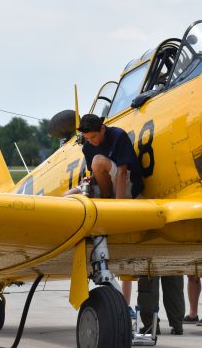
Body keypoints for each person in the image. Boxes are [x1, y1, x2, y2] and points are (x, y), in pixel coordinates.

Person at [71, 114, 145, 316]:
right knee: (68, 195)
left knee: (97, 161)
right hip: (107, 185)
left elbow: (122, 172)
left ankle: (106, 202)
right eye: (88, 139)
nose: (91, 142)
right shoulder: (87, 146)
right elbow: (94, 176)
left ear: (103, 129)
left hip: (127, 186)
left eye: (94, 137)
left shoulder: (117, 136)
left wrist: (118, 207)